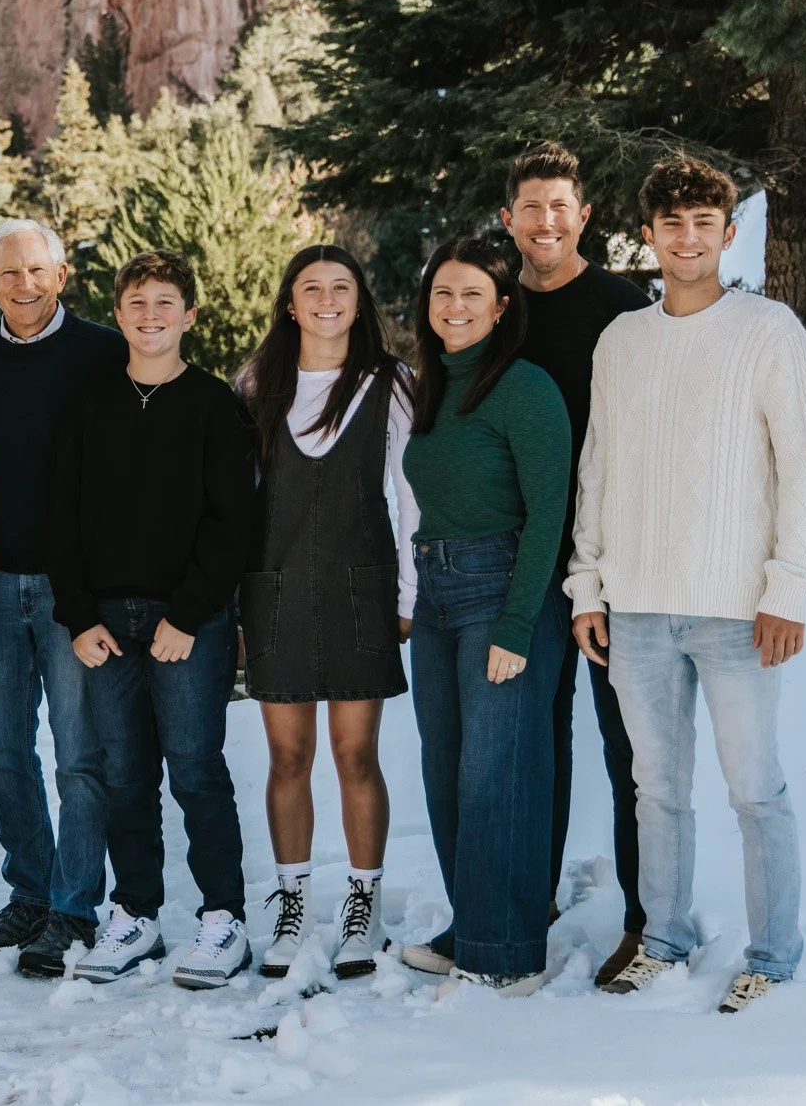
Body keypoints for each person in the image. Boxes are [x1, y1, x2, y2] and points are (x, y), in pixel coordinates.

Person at [568, 156, 806, 1014]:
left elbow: (805, 468)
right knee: (656, 790)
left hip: (736, 612)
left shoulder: (768, 330)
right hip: (639, 608)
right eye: (672, 224)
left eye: (704, 223)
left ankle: (773, 956)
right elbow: (599, 467)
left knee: (755, 788)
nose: (688, 238)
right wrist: (587, 584)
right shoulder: (622, 340)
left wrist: (789, 587)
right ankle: (664, 940)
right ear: (648, 235)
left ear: (728, 232)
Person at [49, 251, 256, 991]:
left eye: (165, 302)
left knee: (196, 769)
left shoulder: (214, 405)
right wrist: (78, 616)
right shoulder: (89, 403)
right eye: (136, 303)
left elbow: (232, 524)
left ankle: (224, 918)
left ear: (189, 315)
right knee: (124, 774)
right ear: (119, 315)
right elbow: (60, 515)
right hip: (106, 622)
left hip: (186, 623)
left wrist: (190, 614)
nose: (150, 315)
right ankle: (135, 913)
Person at [0, 219, 127, 977]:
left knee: (80, 754)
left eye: (36, 271)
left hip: (71, 589)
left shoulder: (103, 353)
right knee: (1, 750)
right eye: (9, 273)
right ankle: (31, 891)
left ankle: (75, 906)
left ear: (61, 276)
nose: (24, 285)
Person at [235, 246, 417, 983]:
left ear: (358, 300)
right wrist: (233, 606)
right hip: (274, 589)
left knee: (354, 755)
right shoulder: (257, 384)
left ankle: (362, 907)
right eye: (311, 287)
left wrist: (407, 595)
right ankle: (292, 907)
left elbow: (410, 495)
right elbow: (238, 501)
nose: (327, 299)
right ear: (290, 303)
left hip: (359, 589)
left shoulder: (389, 383)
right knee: (287, 758)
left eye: (341, 287)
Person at [397, 237, 571, 997]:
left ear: (502, 308)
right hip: (436, 593)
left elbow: (549, 513)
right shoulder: (431, 385)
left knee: (496, 773)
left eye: (472, 294)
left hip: (504, 591)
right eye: (443, 293)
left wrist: (517, 624)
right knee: (445, 770)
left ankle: (507, 952)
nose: (455, 306)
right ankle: (473, 923)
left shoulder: (525, 387)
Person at [498, 141, 654, 984]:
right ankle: (528, 900)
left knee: (628, 747)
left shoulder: (624, 308)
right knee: (530, 744)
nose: (546, 221)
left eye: (560, 205)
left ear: (584, 215)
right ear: (508, 218)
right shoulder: (495, 308)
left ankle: (646, 921)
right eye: (531, 207)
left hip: (613, 563)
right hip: (521, 562)